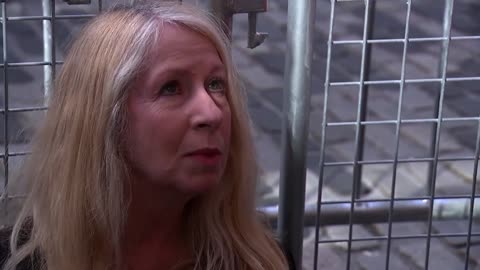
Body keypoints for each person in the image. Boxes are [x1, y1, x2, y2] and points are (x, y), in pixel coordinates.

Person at [0, 2, 291, 270]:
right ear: (105, 118)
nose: (212, 114)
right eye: (171, 88)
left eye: (216, 84)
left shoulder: (259, 261)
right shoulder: (19, 261)